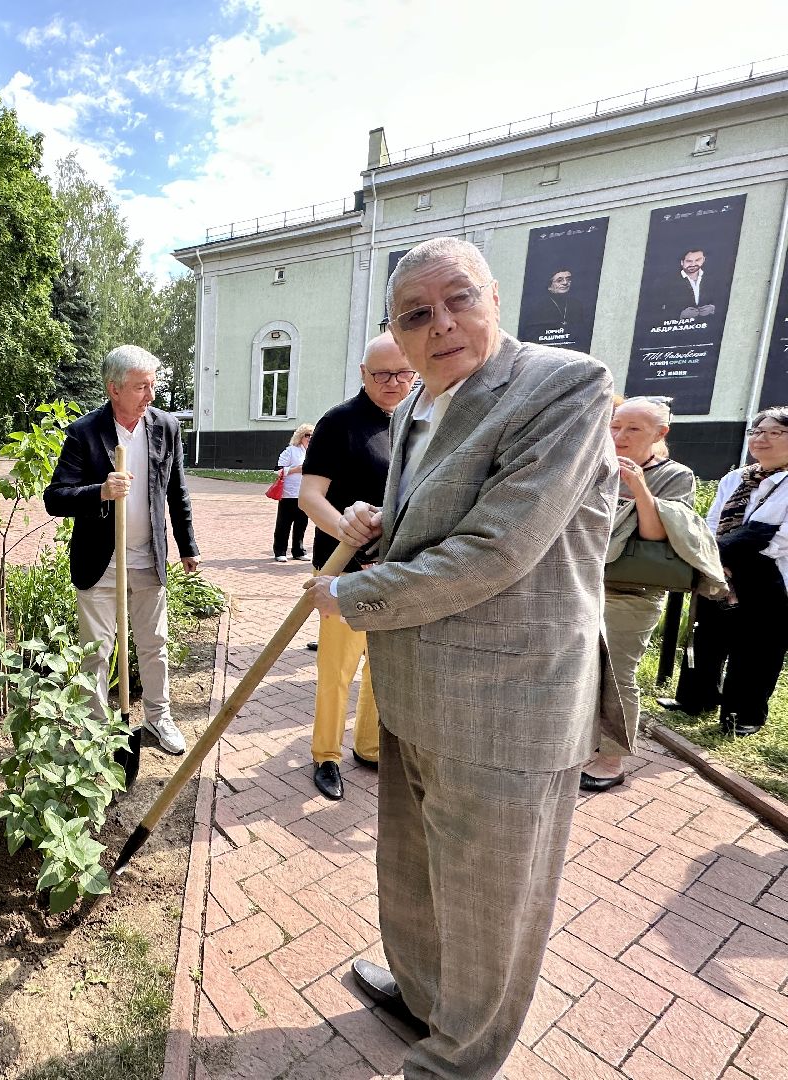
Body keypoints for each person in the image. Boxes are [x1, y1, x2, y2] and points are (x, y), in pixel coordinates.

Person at [305, 237, 627, 1079]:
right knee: (412, 873)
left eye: (459, 300)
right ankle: (420, 995)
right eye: (416, 314)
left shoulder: (564, 387)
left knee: (488, 906)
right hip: (416, 688)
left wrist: (353, 599)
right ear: (396, 334)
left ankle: (459, 1058)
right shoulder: (416, 406)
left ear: (494, 297)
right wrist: (379, 529)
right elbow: (434, 525)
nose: (440, 324)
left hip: (506, 700)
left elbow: (494, 550)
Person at [44, 345, 200, 755]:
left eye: (152, 385)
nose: (150, 395)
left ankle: (158, 717)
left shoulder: (165, 427)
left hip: (148, 556)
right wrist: (101, 491)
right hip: (101, 559)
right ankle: (95, 730)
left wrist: (188, 545)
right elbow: (56, 497)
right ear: (114, 389)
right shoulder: (84, 433)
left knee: (155, 643)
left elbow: (176, 491)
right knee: (97, 650)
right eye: (140, 387)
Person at [583, 397, 724, 791]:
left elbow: (658, 535)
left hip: (631, 591)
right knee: (574, 670)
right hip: (580, 582)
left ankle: (610, 760)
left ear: (660, 434)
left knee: (617, 674)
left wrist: (639, 490)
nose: (619, 436)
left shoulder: (675, 475)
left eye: (633, 429)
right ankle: (580, 744)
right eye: (615, 426)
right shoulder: (594, 463)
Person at [298, 333, 416, 801]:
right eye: (382, 373)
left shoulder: (416, 421)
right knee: (337, 671)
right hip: (345, 571)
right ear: (363, 373)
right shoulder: (339, 423)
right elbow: (310, 496)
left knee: (381, 667)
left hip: (395, 572)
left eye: (404, 372)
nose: (394, 382)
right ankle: (326, 755)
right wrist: (348, 533)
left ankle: (369, 747)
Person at [674, 407, 788, 736]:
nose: (761, 438)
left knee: (757, 647)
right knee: (707, 634)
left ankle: (745, 714)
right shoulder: (736, 478)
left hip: (768, 574)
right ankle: (697, 698)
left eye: (774, 432)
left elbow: (779, 538)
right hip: (720, 566)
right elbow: (711, 523)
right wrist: (713, 557)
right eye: (756, 431)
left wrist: (732, 554)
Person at [271, 423, 314, 562]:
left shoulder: (314, 451)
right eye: (307, 435)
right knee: (284, 524)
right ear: (300, 437)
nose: (310, 438)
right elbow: (277, 470)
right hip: (289, 494)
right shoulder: (290, 451)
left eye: (312, 435)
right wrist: (296, 469)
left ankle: (298, 551)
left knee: (301, 524)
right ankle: (280, 551)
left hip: (305, 494)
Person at [520, 267, 578, 342]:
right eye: (559, 280)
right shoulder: (537, 307)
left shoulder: (576, 304)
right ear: (549, 286)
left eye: (568, 279)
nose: (565, 283)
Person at [658, 248, 719, 319]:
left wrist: (713, 308)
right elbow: (656, 309)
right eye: (689, 261)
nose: (693, 264)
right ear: (682, 262)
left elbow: (723, 300)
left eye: (697, 260)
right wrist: (679, 315)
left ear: (704, 259)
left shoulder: (714, 278)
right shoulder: (666, 282)